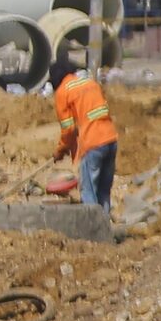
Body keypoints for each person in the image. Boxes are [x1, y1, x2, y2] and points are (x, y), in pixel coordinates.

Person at [51, 64, 120, 214]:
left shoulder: (63, 91)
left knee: (88, 191)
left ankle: (94, 233)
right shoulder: (90, 83)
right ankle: (105, 229)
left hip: (93, 143)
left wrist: (60, 150)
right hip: (111, 139)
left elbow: (68, 129)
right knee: (103, 191)